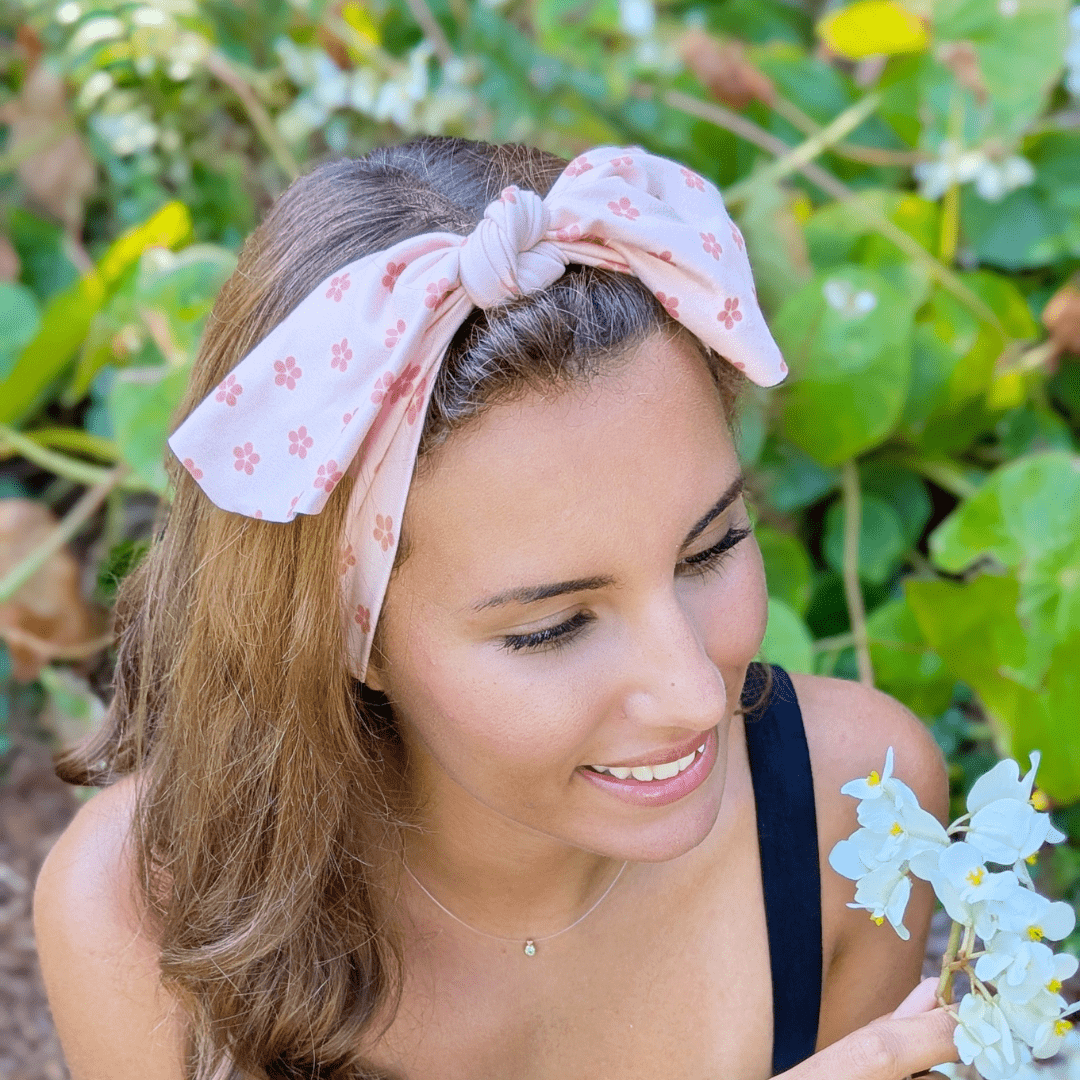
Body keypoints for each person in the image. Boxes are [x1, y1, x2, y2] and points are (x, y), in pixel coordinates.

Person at [33, 137, 959, 1080]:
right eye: (551, 628)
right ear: (347, 637)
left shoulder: (859, 805)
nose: (690, 693)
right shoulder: (139, 912)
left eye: (712, 547)